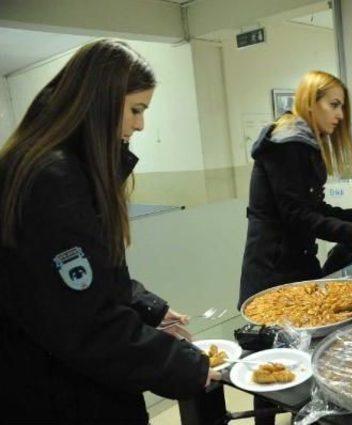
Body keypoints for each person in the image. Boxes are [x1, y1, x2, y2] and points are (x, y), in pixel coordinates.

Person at [0, 39, 219, 424]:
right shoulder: (53, 180)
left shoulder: (50, 165)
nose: (140, 124)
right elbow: (85, 323)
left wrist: (150, 307)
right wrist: (184, 366)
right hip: (62, 397)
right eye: (136, 109)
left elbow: (85, 278)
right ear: (101, 100)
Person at [238, 70, 352, 425]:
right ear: (311, 101)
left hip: (296, 262)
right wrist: (350, 235)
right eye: (333, 105)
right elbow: (295, 214)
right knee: (270, 361)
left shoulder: (302, 143)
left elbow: (314, 207)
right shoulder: (288, 143)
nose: (339, 115)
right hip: (274, 267)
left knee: (301, 355)